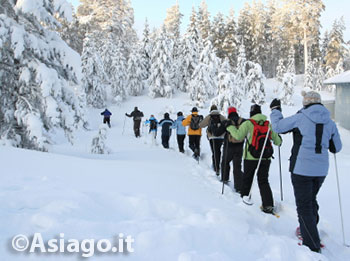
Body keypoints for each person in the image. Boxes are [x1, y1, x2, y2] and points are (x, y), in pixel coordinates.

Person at [269, 91, 342, 253]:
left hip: (301, 169)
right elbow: (337, 147)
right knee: (310, 200)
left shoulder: (301, 117)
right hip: (321, 170)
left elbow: (278, 127)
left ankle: (311, 244)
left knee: (304, 205)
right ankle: (309, 228)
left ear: (306, 103)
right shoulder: (329, 122)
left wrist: (275, 110)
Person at [226, 104, 282, 214]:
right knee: (263, 180)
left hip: (251, 157)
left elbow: (238, 136)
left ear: (251, 113)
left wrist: (230, 127)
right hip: (266, 157)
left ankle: (245, 201)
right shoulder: (268, 124)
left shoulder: (248, 123)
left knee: (247, 179)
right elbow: (278, 141)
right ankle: (268, 205)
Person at [220, 107, 246, 192]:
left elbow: (218, 132)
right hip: (240, 147)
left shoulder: (226, 122)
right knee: (237, 166)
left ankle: (224, 178)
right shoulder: (242, 121)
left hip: (229, 146)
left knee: (225, 162)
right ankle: (239, 187)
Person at [199, 105, 226, 175]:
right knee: (218, 151)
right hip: (221, 137)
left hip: (212, 137)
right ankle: (217, 166)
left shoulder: (210, 116)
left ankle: (216, 167)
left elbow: (201, 125)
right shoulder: (220, 116)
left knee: (214, 151)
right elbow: (227, 123)